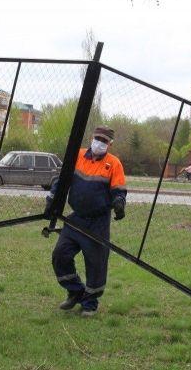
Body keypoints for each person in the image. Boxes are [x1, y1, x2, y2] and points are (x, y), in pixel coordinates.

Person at [46, 126, 127, 316]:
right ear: (92, 137)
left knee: (96, 264)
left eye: (104, 141)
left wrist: (119, 203)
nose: (100, 142)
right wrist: (51, 199)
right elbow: (62, 180)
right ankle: (75, 292)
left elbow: (119, 189)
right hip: (75, 219)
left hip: (98, 223)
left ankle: (90, 303)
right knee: (60, 255)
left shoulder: (114, 163)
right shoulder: (78, 155)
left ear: (110, 144)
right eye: (98, 138)